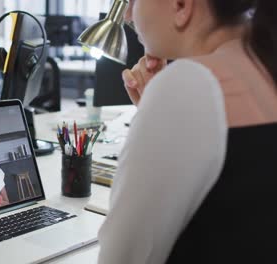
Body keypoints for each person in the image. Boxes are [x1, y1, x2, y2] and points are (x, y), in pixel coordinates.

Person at [98, 0, 277, 263]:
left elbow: (122, 256)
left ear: (181, 6)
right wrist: (155, 113)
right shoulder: (263, 67)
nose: (127, 14)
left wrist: (161, 105)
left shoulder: (189, 84)